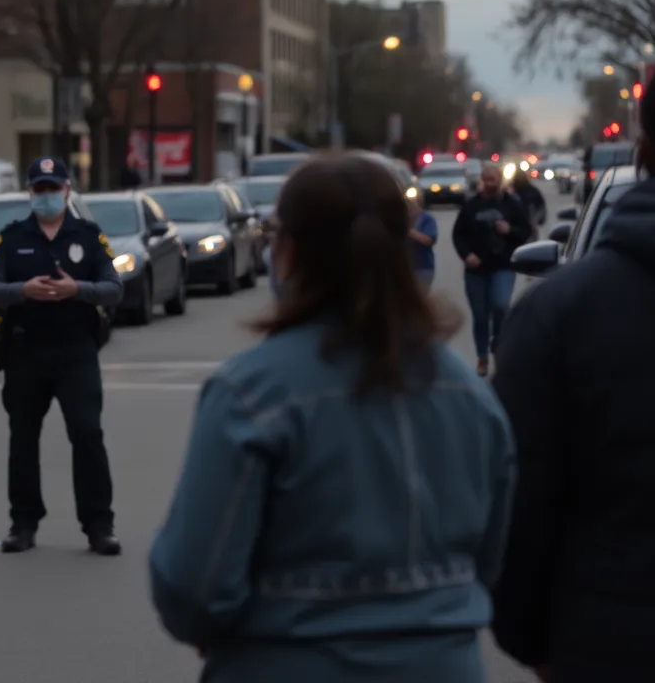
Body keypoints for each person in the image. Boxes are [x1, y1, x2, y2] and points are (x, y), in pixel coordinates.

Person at [148, 153, 516, 683]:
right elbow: (488, 562)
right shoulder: (471, 398)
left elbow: (193, 586)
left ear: (289, 252)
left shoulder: (250, 395)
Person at [490, 56, 655, 682]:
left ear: (645, 152)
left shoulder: (561, 318)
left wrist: (535, 640)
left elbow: (516, 500)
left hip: (612, 649)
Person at [0, 157, 124, 556]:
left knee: (87, 433)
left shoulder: (89, 237)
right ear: (30, 193)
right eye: (39, 189)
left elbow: (114, 288)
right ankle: (23, 523)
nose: (46, 196)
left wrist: (77, 289)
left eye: (53, 189)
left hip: (76, 349)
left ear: (67, 192)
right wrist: (22, 290)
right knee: (23, 440)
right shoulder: (11, 238)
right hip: (26, 349)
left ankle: (99, 525)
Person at [451, 164, 530, 376]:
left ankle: (498, 341)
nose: (490, 183)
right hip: (476, 270)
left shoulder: (511, 205)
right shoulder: (471, 206)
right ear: (481, 181)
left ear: (500, 180)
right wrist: (466, 255)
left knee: (500, 305)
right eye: (486, 179)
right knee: (480, 315)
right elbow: (458, 235)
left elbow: (526, 232)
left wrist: (509, 230)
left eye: (493, 179)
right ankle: (482, 357)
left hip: (503, 266)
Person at [409, 192, 439, 287]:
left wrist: (411, 232)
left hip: (423, 267)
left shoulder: (427, 219)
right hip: (403, 268)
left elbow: (428, 240)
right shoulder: (398, 218)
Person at [509, 170, 546, 241]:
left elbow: (541, 209)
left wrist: (535, 220)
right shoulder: (510, 193)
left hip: (530, 229)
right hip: (512, 230)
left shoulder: (533, 192)